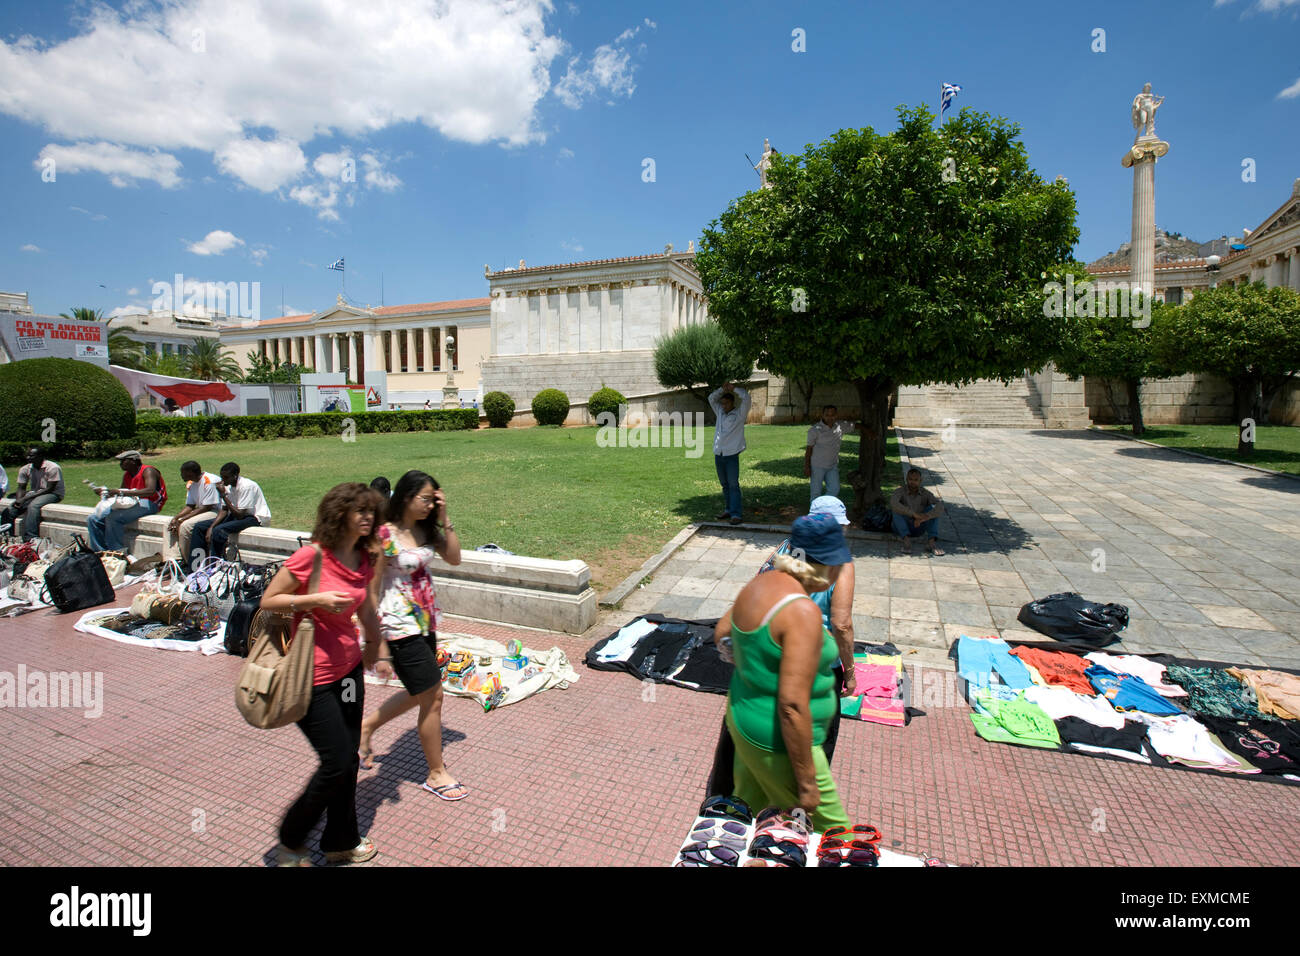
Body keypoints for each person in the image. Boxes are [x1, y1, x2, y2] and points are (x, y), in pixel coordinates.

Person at [260, 483, 385, 866]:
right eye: (358, 510)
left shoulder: (363, 557)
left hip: (348, 673)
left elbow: (365, 609)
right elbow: (269, 601)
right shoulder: (311, 556)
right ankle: (290, 839)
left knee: (348, 761)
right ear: (339, 514)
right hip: (310, 677)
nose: (366, 517)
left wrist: (374, 647)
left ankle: (340, 842)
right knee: (336, 760)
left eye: (371, 511)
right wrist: (314, 599)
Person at [707, 496, 857, 797]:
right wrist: (850, 671)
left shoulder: (784, 551)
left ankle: (722, 798)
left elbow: (752, 595)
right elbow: (841, 624)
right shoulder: (841, 565)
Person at [358, 471, 465, 799]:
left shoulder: (424, 529)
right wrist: (381, 646)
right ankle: (435, 773)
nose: (430, 504)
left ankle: (366, 727)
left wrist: (444, 517)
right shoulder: (384, 534)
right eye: (426, 499)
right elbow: (372, 590)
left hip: (425, 623)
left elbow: (455, 558)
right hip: (397, 626)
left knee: (420, 691)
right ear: (406, 497)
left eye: (435, 500)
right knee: (433, 696)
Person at [189, 462, 271, 566]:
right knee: (199, 527)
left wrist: (223, 495)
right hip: (238, 515)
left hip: (254, 517)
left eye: (226, 477)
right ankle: (195, 567)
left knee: (219, 530)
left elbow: (240, 514)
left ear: (235, 475)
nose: (223, 480)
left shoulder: (247, 486)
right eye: (222, 477)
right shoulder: (227, 485)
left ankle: (215, 567)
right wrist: (211, 527)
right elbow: (224, 510)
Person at [86, 451, 167, 552]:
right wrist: (106, 492)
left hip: (149, 503)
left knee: (114, 518)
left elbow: (150, 491)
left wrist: (120, 492)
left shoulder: (148, 471)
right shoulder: (127, 475)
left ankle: (117, 551)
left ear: (133, 461)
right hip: (133, 502)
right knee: (93, 519)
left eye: (123, 461)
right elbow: (121, 494)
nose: (120, 464)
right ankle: (99, 551)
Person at [708, 382, 751, 526]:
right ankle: (728, 509)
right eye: (722, 403)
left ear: (732, 402)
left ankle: (736, 514)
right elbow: (711, 398)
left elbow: (746, 398)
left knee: (733, 485)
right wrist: (721, 389)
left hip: (731, 454)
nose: (723, 406)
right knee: (724, 485)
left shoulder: (739, 414)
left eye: (726, 403)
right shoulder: (719, 411)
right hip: (718, 454)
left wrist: (734, 389)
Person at [2, 449, 65, 541]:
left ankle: (31, 537)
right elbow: (21, 487)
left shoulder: (53, 467)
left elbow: (49, 488)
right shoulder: (25, 469)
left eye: (32, 456)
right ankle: (6, 536)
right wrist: (19, 500)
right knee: (11, 509)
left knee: (33, 506)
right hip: (34, 493)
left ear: (41, 456)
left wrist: (26, 498)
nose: (28, 458)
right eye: (28, 455)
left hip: (53, 493)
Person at [166, 461, 221, 564]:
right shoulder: (191, 483)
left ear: (190, 472)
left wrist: (183, 519)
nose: (181, 475)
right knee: (169, 523)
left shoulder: (209, 481)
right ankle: (174, 559)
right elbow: (190, 506)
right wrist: (176, 518)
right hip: (203, 510)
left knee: (185, 526)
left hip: (215, 511)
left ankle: (189, 562)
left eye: (183, 472)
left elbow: (206, 507)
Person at [804, 406, 857, 502]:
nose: (830, 417)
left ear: (836, 415)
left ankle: (825, 508)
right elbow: (809, 450)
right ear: (822, 415)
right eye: (827, 415)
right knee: (816, 492)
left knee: (834, 489)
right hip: (817, 466)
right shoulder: (815, 430)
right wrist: (807, 466)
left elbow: (855, 425)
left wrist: (869, 431)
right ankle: (815, 514)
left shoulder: (840, 426)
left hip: (832, 466)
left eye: (833, 415)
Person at [890, 467, 945, 555]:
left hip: (918, 526)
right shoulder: (900, 491)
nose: (912, 482)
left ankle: (931, 543)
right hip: (901, 527)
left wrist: (924, 517)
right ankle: (906, 542)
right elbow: (893, 503)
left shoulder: (925, 493)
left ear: (920, 480)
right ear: (906, 479)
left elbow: (940, 505)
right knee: (896, 510)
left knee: (933, 510)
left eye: (916, 480)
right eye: (910, 479)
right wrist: (914, 514)